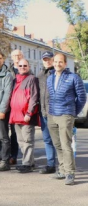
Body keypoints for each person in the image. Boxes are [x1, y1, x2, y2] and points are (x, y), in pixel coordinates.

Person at [47, 53, 86, 185]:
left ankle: (70, 173)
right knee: (57, 144)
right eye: (56, 62)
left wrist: (73, 112)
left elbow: (82, 97)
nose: (57, 64)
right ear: (53, 63)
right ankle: (62, 170)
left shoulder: (73, 77)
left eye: (60, 62)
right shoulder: (50, 78)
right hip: (52, 115)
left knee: (66, 144)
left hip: (66, 115)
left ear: (65, 63)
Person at [9, 59, 40, 173]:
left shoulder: (32, 79)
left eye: (25, 65)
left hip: (26, 115)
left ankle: (26, 164)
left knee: (27, 141)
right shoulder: (15, 80)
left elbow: (34, 97)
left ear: (29, 66)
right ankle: (30, 163)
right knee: (21, 141)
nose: (22, 67)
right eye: (20, 65)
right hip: (16, 115)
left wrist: (29, 113)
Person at [37, 51, 57, 174]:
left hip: (55, 113)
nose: (47, 61)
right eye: (45, 59)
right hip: (43, 112)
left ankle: (65, 166)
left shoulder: (57, 74)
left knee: (59, 140)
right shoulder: (39, 75)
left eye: (49, 59)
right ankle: (51, 164)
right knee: (47, 140)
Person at [7, 49, 23, 164]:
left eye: (18, 55)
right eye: (14, 55)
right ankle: (11, 155)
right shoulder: (8, 70)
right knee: (10, 133)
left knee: (21, 133)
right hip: (8, 105)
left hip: (21, 106)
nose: (17, 57)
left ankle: (20, 156)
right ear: (11, 57)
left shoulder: (27, 70)